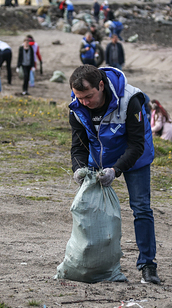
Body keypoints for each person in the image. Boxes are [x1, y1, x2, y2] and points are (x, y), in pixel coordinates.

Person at [68, 65, 160, 284]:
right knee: (89, 209)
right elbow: (79, 145)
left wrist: (116, 170)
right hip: (100, 156)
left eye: (89, 96)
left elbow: (136, 145)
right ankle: (93, 264)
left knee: (141, 208)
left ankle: (148, 265)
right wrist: (79, 168)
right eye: (80, 97)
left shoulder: (130, 100)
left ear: (101, 85)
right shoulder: (77, 106)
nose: (85, 102)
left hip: (134, 158)